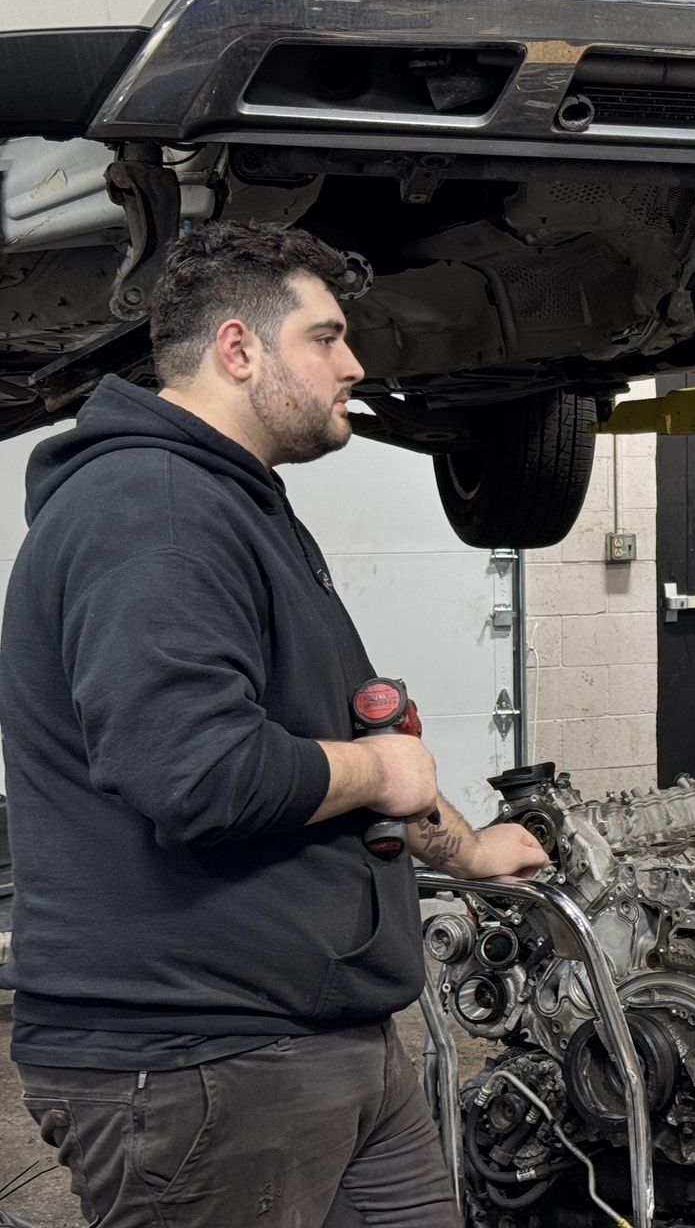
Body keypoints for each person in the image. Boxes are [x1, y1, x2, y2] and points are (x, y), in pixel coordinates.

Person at [0, 221, 549, 1227]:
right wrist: (380, 774)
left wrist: (466, 852)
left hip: (320, 1047)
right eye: (328, 338)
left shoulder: (234, 505)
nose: (357, 364)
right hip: (200, 1069)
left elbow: (348, 739)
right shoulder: (152, 510)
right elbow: (196, 771)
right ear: (239, 349)